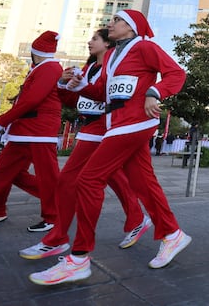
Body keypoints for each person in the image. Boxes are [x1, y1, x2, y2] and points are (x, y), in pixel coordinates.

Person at [30, 10, 190, 285]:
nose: (109, 25)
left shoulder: (144, 46)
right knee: (143, 182)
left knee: (88, 180)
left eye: (115, 21)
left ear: (130, 26)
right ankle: (173, 234)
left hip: (134, 122)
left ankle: (79, 258)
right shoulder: (114, 56)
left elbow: (176, 73)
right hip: (117, 123)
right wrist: (80, 85)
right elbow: (102, 92)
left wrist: (155, 93)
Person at [19, 28, 150, 260]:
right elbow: (72, 100)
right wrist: (63, 84)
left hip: (109, 127)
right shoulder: (88, 69)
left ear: (108, 44)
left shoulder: (116, 67)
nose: (89, 42)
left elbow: (112, 95)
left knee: (88, 179)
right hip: (90, 129)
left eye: (95, 39)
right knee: (87, 179)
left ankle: (69, 243)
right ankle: (133, 219)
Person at [0, 31, 62, 231]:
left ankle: (55, 215)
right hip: (25, 130)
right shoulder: (41, 69)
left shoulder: (50, 67)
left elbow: (33, 100)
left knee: (48, 177)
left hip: (39, 130)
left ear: (33, 51)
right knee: (1, 171)